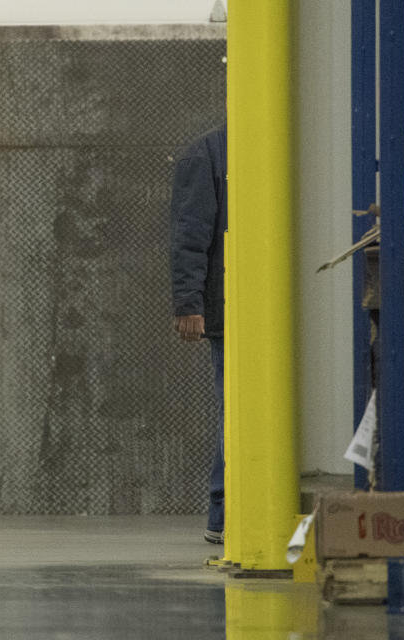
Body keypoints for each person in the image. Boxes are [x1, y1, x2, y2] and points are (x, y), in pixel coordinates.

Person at [170, 126, 227, 545]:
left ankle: (224, 514)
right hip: (229, 309)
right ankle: (222, 514)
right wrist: (189, 303)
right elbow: (190, 234)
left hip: (265, 307)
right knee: (234, 412)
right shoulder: (205, 153)